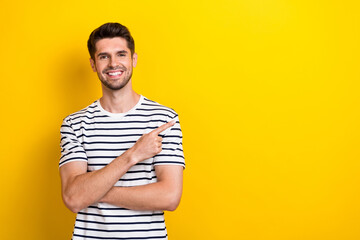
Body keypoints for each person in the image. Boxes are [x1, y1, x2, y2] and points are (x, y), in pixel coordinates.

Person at [59, 22, 185, 240]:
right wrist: (133, 154)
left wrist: (93, 190)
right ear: (93, 64)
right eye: (104, 56)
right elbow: (72, 198)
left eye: (121, 54)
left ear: (133, 59)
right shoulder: (74, 124)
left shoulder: (163, 119)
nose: (113, 63)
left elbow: (170, 196)